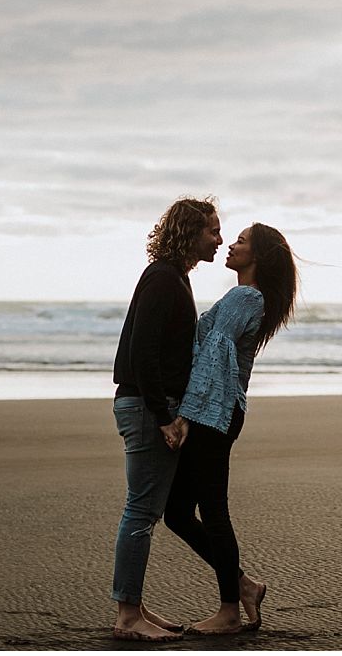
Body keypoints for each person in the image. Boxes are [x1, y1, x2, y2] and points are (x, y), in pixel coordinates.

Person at [163, 223, 296, 635]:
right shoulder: (248, 298)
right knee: (178, 514)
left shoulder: (245, 296)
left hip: (213, 414)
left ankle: (229, 611)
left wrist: (185, 414)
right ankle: (244, 586)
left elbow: (214, 355)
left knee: (212, 511)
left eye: (240, 241)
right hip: (215, 411)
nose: (232, 245)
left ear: (258, 256)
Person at [110, 197, 223, 643]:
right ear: (189, 232)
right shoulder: (163, 278)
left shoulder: (173, 277)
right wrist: (164, 415)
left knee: (147, 510)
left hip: (149, 404)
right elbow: (142, 351)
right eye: (212, 230)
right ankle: (127, 615)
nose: (219, 239)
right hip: (145, 406)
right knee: (140, 511)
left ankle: (133, 607)